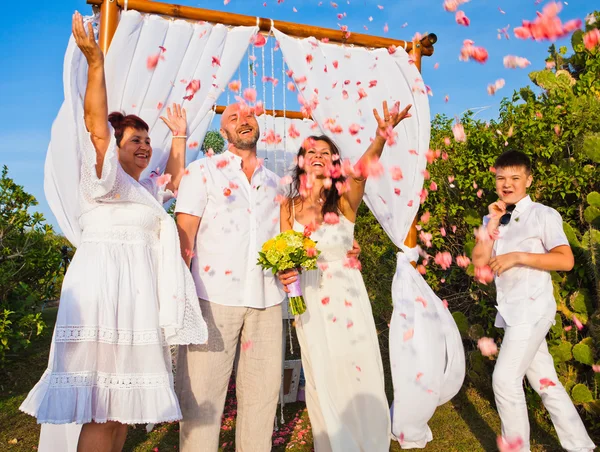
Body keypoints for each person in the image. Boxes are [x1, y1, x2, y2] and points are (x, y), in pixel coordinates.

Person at [20, 12, 207, 452]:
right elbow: (96, 126)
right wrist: (96, 66)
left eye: (146, 140)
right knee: (104, 407)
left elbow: (173, 185)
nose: (144, 146)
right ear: (114, 146)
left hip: (135, 295)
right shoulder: (102, 178)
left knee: (124, 412)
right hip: (107, 293)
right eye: (134, 140)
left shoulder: (142, 192)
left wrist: (178, 137)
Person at [174, 101, 360, 452]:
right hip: (213, 300)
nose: (243, 120)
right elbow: (183, 240)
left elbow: (303, 233)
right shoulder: (202, 172)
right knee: (202, 401)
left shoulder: (278, 186)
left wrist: (345, 246)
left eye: (248, 115)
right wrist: (178, 303)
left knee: (261, 400)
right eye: (233, 118)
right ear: (224, 131)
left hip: (267, 302)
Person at [277, 101, 412, 452]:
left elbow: (363, 172)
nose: (319, 154)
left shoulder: (345, 202)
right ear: (301, 160)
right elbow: (283, 258)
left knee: (357, 370)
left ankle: (369, 443)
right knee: (322, 376)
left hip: (346, 296)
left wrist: (382, 136)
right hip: (309, 303)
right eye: (312, 150)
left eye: (327, 151)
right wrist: (286, 274)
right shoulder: (287, 207)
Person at [472, 150, 595, 452]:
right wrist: (490, 229)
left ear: (528, 179)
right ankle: (581, 445)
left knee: (504, 379)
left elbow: (565, 260)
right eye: (501, 178)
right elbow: (479, 264)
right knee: (546, 382)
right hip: (512, 312)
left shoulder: (543, 214)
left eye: (515, 177)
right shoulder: (492, 218)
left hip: (533, 309)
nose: (507, 183)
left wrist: (516, 256)